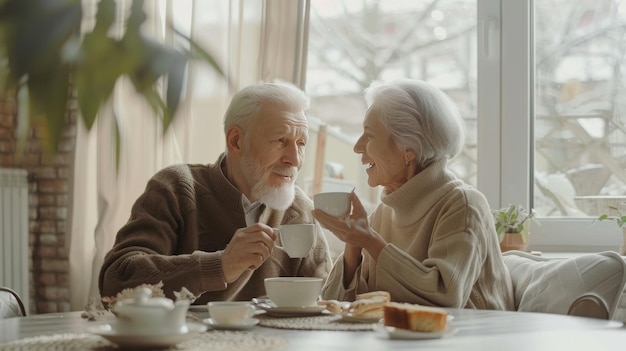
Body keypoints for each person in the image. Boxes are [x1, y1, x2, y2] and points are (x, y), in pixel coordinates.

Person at [99, 81, 332, 304]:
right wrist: (220, 265)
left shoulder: (299, 208)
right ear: (236, 141)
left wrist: (355, 250)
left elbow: (329, 302)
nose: (294, 160)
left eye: (301, 143)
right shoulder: (176, 188)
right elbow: (116, 279)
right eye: (280, 141)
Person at [313, 79, 514, 310]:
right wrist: (353, 245)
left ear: (408, 148)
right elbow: (335, 304)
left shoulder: (462, 204)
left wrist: (371, 242)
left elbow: (446, 298)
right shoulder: (384, 213)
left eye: (369, 134)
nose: (358, 146)